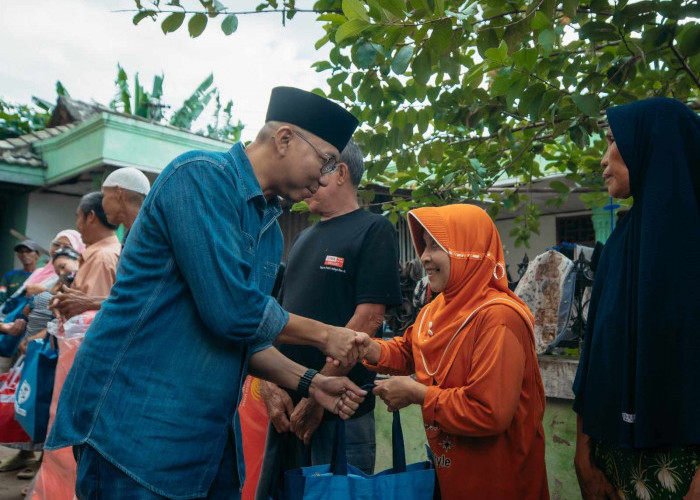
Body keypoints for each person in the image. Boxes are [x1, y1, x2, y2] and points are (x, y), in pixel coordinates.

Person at [44, 87, 371, 499]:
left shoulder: (268, 228)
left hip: (204, 440)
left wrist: (311, 382)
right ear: (285, 139)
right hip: (136, 429)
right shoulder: (200, 177)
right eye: (325, 160)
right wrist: (327, 335)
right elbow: (232, 311)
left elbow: (242, 337)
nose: (325, 177)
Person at [362, 204, 549, 500]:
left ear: (469, 249)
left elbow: (489, 413)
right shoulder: (438, 309)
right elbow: (414, 348)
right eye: (423, 244)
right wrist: (369, 348)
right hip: (452, 480)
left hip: (501, 484)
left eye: (436, 245)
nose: (423, 256)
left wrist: (417, 394)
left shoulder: (499, 317)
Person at [256, 141, 402, 497]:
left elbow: (367, 320)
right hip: (288, 408)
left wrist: (315, 391)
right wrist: (271, 385)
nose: (306, 179)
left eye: (317, 168)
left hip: (339, 410)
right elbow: (278, 315)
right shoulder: (304, 237)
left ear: (340, 172)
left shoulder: (374, 230)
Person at [573, 98, 700, 500]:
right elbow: (594, 359)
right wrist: (583, 455)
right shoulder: (618, 249)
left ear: (652, 144)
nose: (603, 160)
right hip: (613, 470)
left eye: (612, 141)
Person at [50, 193, 121, 320]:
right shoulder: (107, 253)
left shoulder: (101, 258)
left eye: (78, 217)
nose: (77, 225)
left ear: (91, 216)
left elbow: (89, 319)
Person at [100, 166, 151, 233]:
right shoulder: (147, 230)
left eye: (104, 196)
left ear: (118, 193)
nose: (102, 203)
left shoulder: (146, 235)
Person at [0, 241, 41, 305]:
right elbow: (1, 298)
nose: (24, 254)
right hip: (11, 313)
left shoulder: (44, 276)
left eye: (28, 251)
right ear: (18, 255)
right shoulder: (10, 276)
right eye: (21, 252)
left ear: (38, 255)